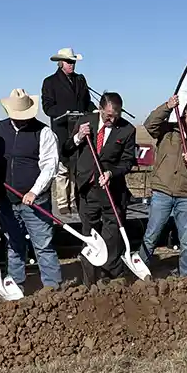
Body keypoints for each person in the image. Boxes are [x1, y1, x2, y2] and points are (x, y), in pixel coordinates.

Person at [0, 88, 63, 290]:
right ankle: (16, 286)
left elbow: (50, 166)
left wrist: (34, 191)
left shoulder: (44, 133)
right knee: (14, 244)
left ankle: (52, 288)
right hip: (6, 199)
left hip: (35, 201)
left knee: (43, 246)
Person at [63, 90, 136, 285]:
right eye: (108, 115)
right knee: (90, 235)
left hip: (112, 190)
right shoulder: (85, 122)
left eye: (116, 116)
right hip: (87, 189)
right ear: (100, 108)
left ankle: (111, 278)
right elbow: (67, 149)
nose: (112, 120)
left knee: (112, 235)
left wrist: (112, 173)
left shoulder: (127, 130)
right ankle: (90, 281)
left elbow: (128, 161)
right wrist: (78, 137)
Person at [141, 94, 187, 277]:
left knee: (186, 239)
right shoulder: (168, 130)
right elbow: (150, 124)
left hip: (186, 194)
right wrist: (167, 106)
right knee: (152, 234)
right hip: (162, 190)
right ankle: (141, 270)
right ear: (186, 113)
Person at [42, 48, 93, 215]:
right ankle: (63, 202)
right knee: (63, 168)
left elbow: (87, 101)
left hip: (79, 128)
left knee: (77, 167)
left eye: (73, 61)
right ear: (60, 63)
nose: (72, 64)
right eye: (69, 61)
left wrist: (95, 110)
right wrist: (67, 111)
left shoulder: (80, 79)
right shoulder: (50, 82)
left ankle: (75, 200)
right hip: (62, 129)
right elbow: (48, 107)